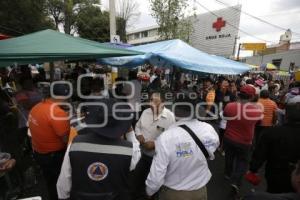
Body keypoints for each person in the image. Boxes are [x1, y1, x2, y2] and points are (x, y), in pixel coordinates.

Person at [57, 99, 140, 200]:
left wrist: (63, 197)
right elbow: (134, 161)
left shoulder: (75, 144)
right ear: (120, 125)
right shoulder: (129, 151)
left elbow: (63, 184)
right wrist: (130, 132)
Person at [145, 104, 219, 200]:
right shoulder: (208, 129)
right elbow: (213, 148)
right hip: (200, 191)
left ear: (175, 112)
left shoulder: (166, 137)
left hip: (174, 193)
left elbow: (157, 173)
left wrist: (149, 191)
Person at [248, 95, 300, 193]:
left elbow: (260, 153)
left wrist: (253, 169)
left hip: (275, 174)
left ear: (287, 115)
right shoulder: (272, 104)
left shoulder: (273, 133)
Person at [28, 82, 70, 200]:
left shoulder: (36, 107)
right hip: (54, 156)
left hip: (39, 152)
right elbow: (65, 139)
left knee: (50, 181)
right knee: (60, 182)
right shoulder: (57, 113)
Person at [133, 91, 175, 199]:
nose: (151, 103)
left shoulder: (170, 117)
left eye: (155, 101)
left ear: (163, 103)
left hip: (158, 159)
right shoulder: (145, 112)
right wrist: (139, 135)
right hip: (141, 155)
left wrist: (156, 144)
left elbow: (172, 138)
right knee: (137, 180)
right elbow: (137, 126)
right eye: (150, 100)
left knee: (154, 183)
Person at [223, 85, 262, 195]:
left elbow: (225, 117)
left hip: (229, 138)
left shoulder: (229, 106)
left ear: (239, 94)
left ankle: (228, 173)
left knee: (229, 157)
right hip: (245, 142)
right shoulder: (257, 111)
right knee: (242, 162)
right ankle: (236, 181)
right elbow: (259, 123)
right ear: (251, 97)